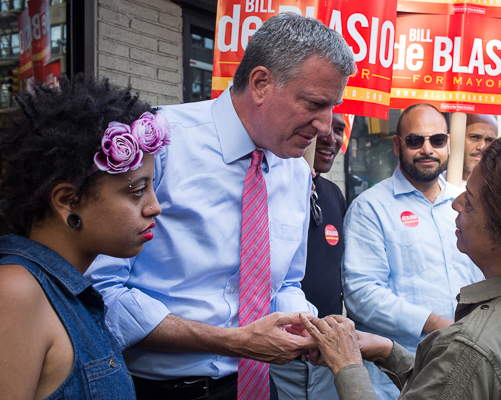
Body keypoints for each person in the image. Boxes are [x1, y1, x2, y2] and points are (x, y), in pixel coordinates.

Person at [85, 13, 356, 400]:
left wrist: (308, 326)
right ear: (261, 83)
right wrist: (233, 341)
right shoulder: (160, 144)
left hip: (259, 387)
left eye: (332, 106)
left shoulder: (296, 173)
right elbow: (100, 288)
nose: (326, 126)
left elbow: (288, 283)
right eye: (314, 104)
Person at [302, 128, 501, 399]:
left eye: (469, 200)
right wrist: (388, 351)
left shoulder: (471, 348)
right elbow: (455, 385)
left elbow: (464, 371)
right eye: (415, 139)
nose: (456, 205)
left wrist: (347, 365)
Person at [0, 75, 170, 399]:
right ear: (67, 200)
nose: (155, 207)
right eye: (136, 191)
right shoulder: (16, 291)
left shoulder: (71, 292)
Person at [342, 103, 483, 399]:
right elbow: (362, 294)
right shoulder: (370, 208)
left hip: (469, 364)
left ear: (448, 143)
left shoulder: (467, 203)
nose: (427, 149)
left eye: (438, 140)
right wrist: (439, 324)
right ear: (397, 144)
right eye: (415, 140)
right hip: (395, 379)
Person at [271, 113, 347, 400]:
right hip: (279, 357)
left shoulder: (334, 194)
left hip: (325, 358)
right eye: (321, 128)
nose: (330, 137)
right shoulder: (272, 185)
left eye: (339, 129)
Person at [443, 113, 498, 189]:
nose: (482, 147)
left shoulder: (500, 191)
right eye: (474, 137)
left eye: (489, 140)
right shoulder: (435, 186)